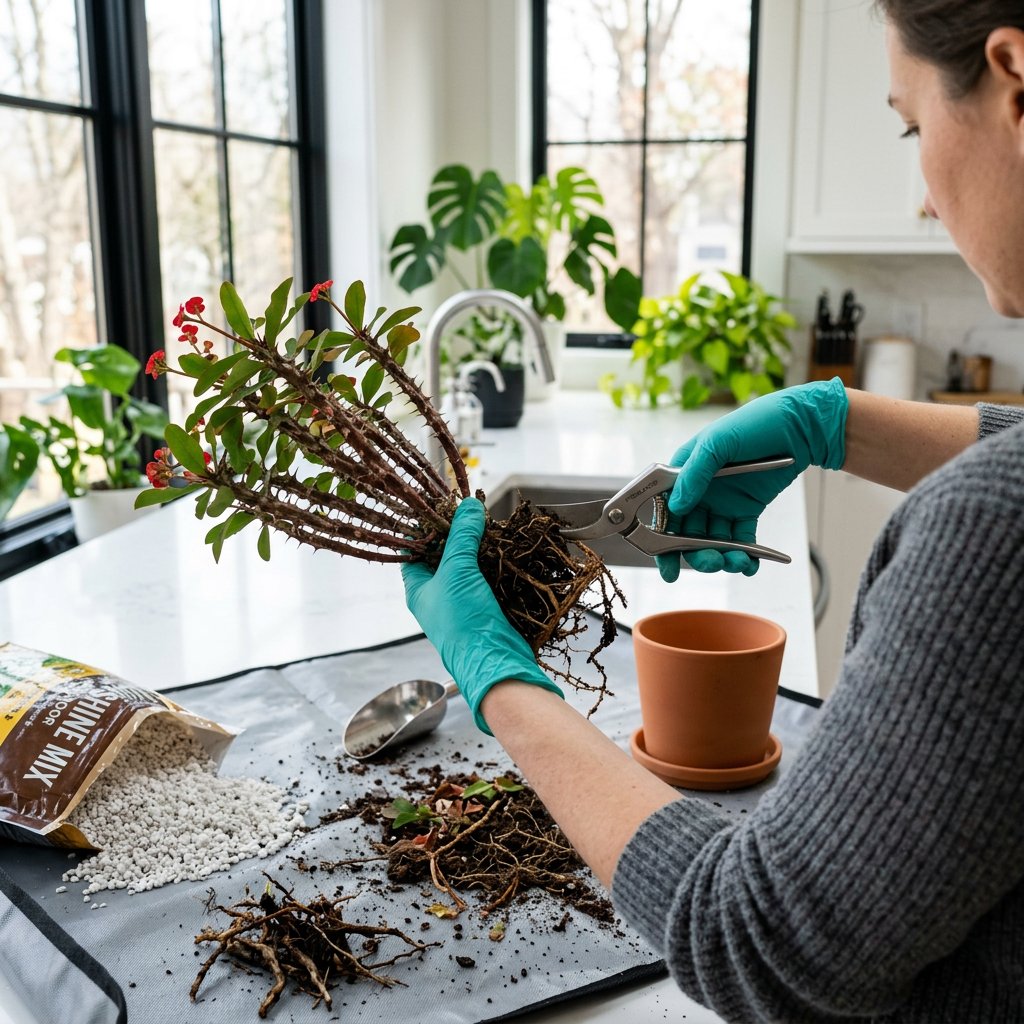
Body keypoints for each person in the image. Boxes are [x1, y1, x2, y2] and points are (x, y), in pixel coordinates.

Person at [401, 2, 1024, 1020]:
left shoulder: (994, 534)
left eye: (913, 127)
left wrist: (496, 676)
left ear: (1013, 82)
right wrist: (834, 420)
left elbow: (759, 939)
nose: (920, 196)